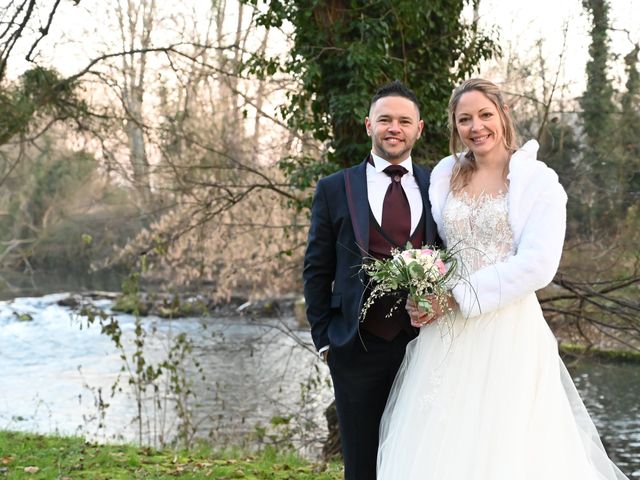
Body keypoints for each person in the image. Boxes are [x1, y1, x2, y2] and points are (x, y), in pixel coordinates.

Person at [376, 78, 629, 479]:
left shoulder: (538, 181)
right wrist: (423, 290)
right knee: (443, 440)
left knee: (506, 442)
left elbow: (539, 264)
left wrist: (458, 295)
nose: (476, 127)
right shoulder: (445, 176)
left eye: (484, 115)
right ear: (453, 126)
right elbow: (435, 247)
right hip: (446, 334)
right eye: (464, 119)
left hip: (508, 331)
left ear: (504, 114)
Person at [303, 80, 440, 480]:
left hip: (423, 347)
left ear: (419, 128)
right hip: (355, 347)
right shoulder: (335, 188)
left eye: (403, 120)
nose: (393, 127)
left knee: (418, 460)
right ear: (368, 126)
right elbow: (316, 268)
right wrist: (326, 340)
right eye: (384, 120)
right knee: (362, 465)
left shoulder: (440, 186)